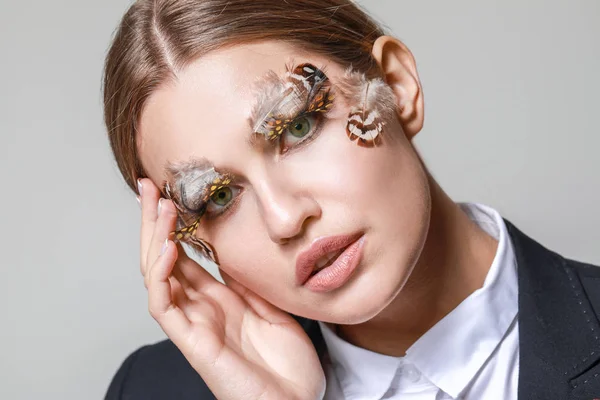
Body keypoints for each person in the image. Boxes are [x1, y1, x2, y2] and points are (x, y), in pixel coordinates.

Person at [101, 1, 600, 399]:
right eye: (219, 198)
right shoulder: (149, 389)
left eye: (297, 127)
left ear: (396, 85)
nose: (284, 218)